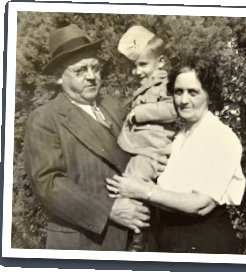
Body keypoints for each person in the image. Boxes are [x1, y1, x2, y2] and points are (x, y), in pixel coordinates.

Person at [24, 23, 152, 251]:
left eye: (95, 67)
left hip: (134, 237)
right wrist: (110, 210)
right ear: (58, 78)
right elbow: (48, 185)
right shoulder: (45, 118)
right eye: (81, 70)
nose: (92, 77)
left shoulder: (114, 106)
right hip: (86, 242)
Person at [106, 58, 246, 254]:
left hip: (203, 241)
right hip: (166, 239)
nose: (183, 100)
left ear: (209, 95)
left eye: (193, 92)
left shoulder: (221, 137)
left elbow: (200, 204)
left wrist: (144, 190)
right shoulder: (179, 137)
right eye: (178, 91)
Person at [116, 25, 177, 251]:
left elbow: (173, 109)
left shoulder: (166, 84)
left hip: (153, 150)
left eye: (143, 64)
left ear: (160, 62)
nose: (137, 71)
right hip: (142, 148)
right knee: (128, 187)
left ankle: (138, 241)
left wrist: (140, 113)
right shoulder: (147, 86)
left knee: (134, 188)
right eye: (135, 66)